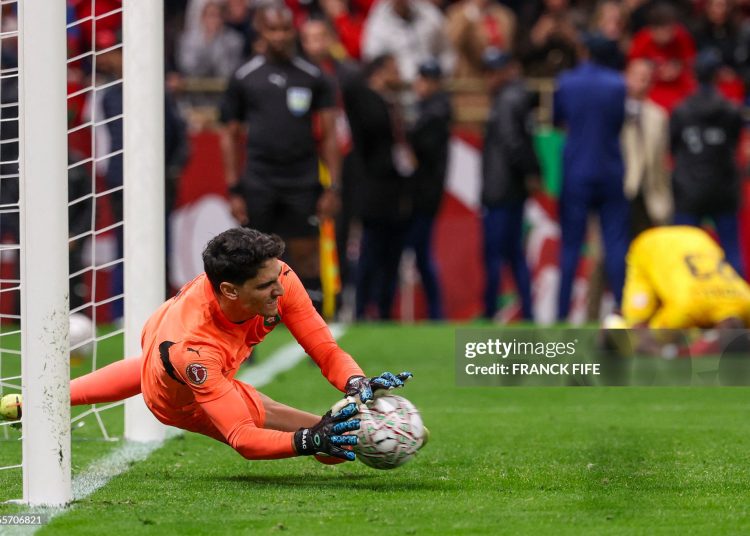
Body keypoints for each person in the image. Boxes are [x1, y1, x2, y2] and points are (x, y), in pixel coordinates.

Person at [1, 228, 413, 462]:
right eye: (266, 287)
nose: (280, 292)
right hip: (181, 394)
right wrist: (312, 439)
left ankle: (33, 401)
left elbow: (324, 349)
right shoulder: (195, 351)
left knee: (150, 367)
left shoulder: (278, 279)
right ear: (230, 290)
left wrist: (356, 381)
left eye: (277, 280)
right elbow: (243, 438)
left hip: (166, 349)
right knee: (331, 448)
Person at [220, 4, 342, 313]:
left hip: (301, 178)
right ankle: (249, 332)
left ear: (294, 31)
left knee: (305, 254)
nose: (279, 36)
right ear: (260, 31)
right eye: (272, 30)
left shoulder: (314, 76)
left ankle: (313, 331)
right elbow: (229, 135)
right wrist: (235, 189)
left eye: (285, 29)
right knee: (252, 257)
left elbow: (329, 136)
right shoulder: (244, 76)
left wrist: (333, 187)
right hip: (260, 179)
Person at [554, 34, 629, 321]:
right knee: (615, 244)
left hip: (576, 171)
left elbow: (557, 119)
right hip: (609, 169)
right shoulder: (617, 84)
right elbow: (619, 123)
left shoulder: (567, 81)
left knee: (571, 245)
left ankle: (561, 313)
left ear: (584, 51)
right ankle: (622, 309)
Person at [670, 49, 745, 277]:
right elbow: (733, 142)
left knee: (684, 251)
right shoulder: (731, 110)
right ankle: (739, 307)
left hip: (689, 189)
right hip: (723, 186)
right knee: (731, 249)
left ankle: (684, 307)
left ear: (694, 75)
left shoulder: (682, 110)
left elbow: (672, 146)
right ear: (717, 76)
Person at [480, 48, 539, 322]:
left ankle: (492, 309)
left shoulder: (507, 100)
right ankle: (527, 310)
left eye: (493, 71)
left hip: (501, 188)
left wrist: (530, 171)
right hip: (509, 187)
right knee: (514, 253)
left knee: (496, 254)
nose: (489, 78)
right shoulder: (514, 97)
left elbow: (513, 144)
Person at [404, 59, 453, 320]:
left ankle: (436, 311)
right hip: (425, 193)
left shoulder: (435, 112)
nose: (418, 84)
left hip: (423, 195)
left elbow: (421, 150)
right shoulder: (431, 109)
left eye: (424, 79)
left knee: (420, 253)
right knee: (421, 255)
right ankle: (435, 311)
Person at [621, 59, 672, 237]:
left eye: (646, 78)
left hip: (649, 191)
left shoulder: (658, 116)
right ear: (625, 77)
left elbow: (662, 159)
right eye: (636, 76)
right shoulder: (613, 110)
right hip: (622, 188)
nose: (641, 81)